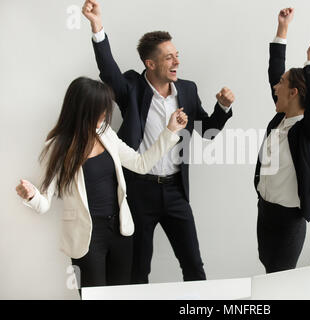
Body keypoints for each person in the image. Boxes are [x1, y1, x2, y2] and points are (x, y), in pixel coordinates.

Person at [82, 0, 235, 284]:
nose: (177, 61)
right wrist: (97, 26)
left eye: (177, 55)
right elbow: (108, 71)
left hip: (176, 190)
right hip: (140, 191)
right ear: (150, 64)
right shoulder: (131, 87)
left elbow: (207, 130)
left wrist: (222, 108)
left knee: (193, 264)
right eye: (169, 57)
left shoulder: (187, 90)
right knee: (138, 269)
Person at [15, 77, 187, 290]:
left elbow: (140, 164)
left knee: (121, 295)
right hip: (86, 237)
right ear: (82, 110)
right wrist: (31, 196)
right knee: (93, 297)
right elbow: (44, 204)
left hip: (120, 231)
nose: (105, 115)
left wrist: (170, 131)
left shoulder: (105, 133)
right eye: (100, 110)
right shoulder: (58, 146)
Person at [254, 8, 310, 273]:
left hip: (288, 220)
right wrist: (282, 29)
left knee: (280, 277)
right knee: (269, 268)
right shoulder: (279, 120)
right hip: (265, 211)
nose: (274, 87)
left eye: (280, 84)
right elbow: (274, 70)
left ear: (292, 93)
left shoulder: (308, 130)